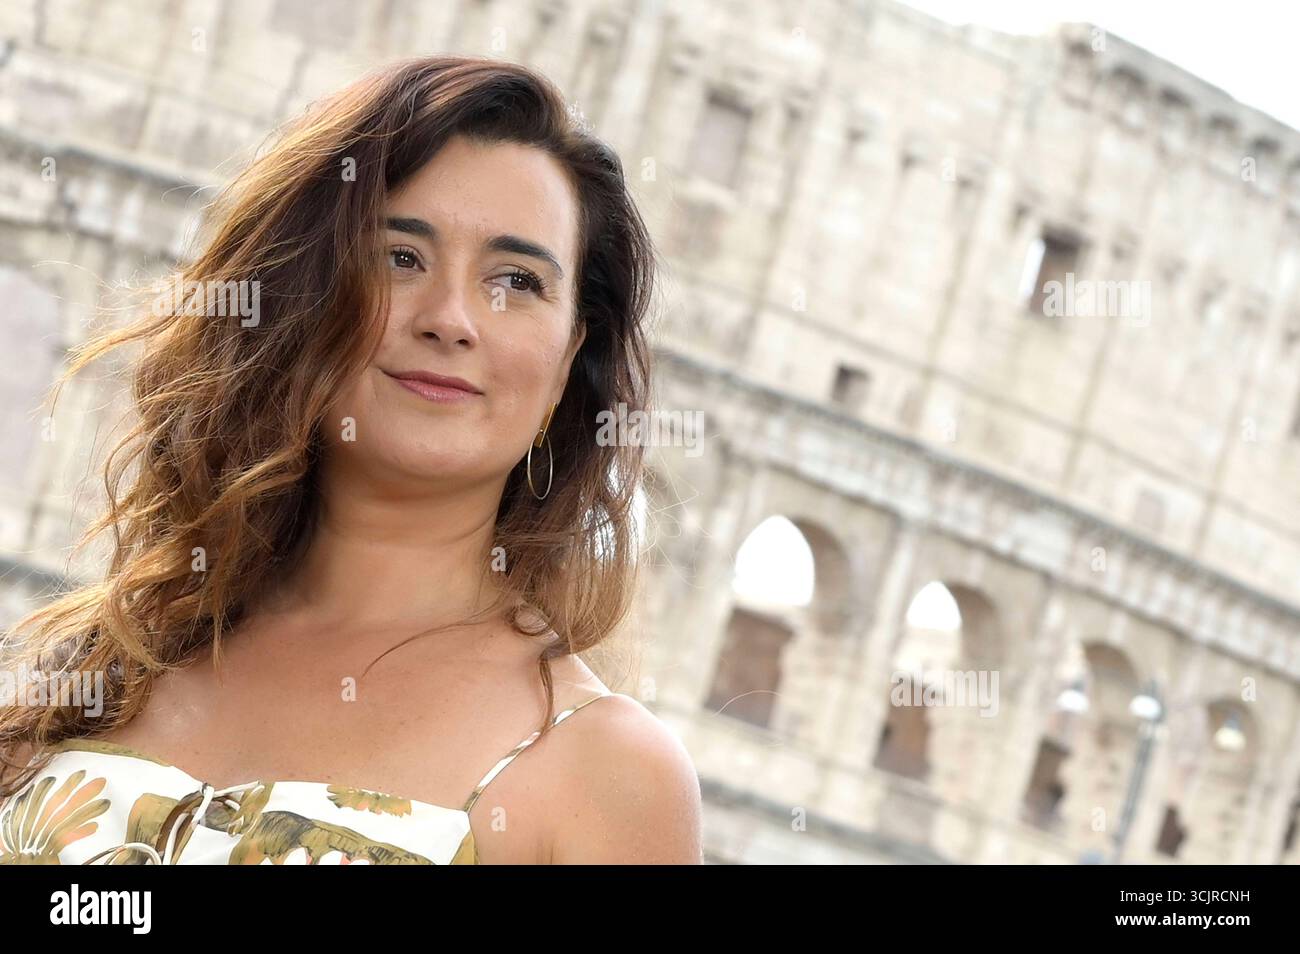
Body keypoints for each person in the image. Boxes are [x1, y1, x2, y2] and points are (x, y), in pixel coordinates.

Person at [0, 54, 701, 865]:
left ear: (569, 357)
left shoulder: (605, 772)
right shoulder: (105, 663)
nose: (451, 318)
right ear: (307, 291)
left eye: (515, 280)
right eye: (401, 257)